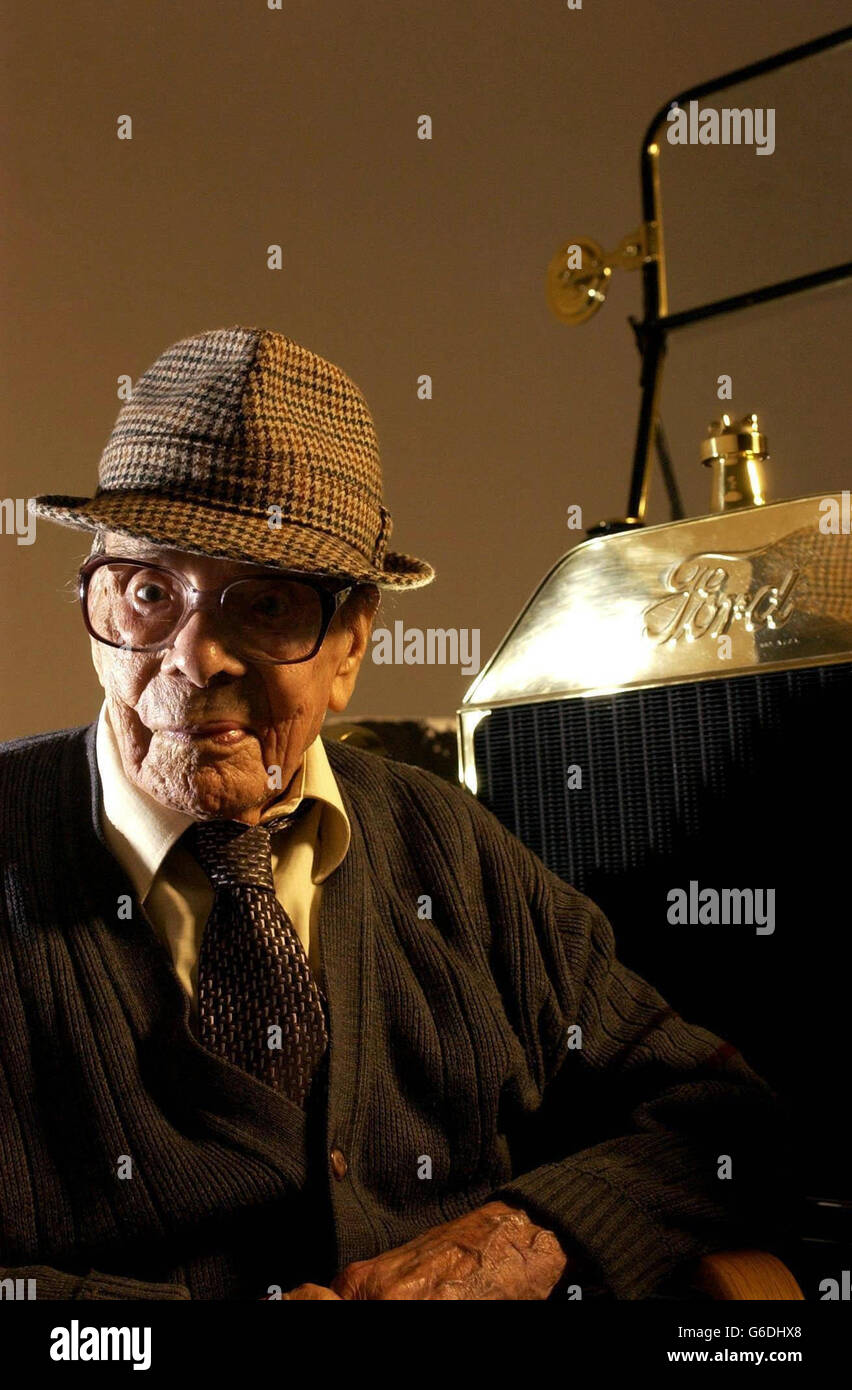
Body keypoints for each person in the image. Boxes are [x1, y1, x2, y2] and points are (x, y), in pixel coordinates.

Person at [0, 326, 783, 1301]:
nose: (196, 658)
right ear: (92, 591)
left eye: (267, 604)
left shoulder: (447, 849)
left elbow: (728, 1122)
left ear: (351, 646)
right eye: (150, 591)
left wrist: (523, 1236)